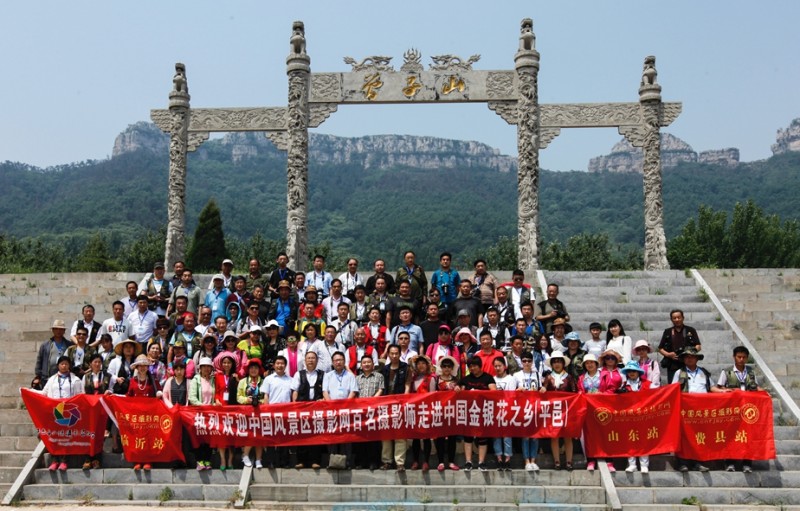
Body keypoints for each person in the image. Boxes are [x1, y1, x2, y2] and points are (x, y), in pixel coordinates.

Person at [716, 346, 763, 473]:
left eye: (744, 357)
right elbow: (718, 388)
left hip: (748, 410)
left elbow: (756, 387)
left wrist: (765, 394)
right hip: (732, 410)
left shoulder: (751, 372)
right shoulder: (726, 372)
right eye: (739, 357)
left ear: (747, 358)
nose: (741, 359)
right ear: (734, 357)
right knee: (731, 436)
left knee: (747, 436)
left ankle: (747, 463)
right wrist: (728, 392)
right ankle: (730, 462)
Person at [671, 346, 715, 473]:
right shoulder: (679, 373)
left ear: (697, 359)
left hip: (701, 410)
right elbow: (673, 390)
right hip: (685, 409)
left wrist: (725, 391)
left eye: (692, 356)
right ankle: (682, 463)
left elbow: (711, 388)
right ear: (684, 359)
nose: (689, 359)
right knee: (684, 436)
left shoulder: (704, 372)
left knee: (700, 436)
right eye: (687, 357)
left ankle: (699, 462)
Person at [40, 356, 83, 471]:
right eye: (62, 364)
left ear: (69, 365)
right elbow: (43, 393)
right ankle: (54, 460)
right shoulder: (52, 380)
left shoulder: (76, 380)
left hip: (70, 412)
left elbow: (81, 395)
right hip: (55, 411)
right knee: (55, 436)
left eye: (66, 364)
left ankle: (64, 461)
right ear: (58, 365)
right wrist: (29, 392)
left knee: (66, 436)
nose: (64, 366)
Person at [456, 357, 497, 471]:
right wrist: (457, 388)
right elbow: (459, 389)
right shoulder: (465, 379)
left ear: (480, 366)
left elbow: (494, 392)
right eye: (470, 366)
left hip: (483, 411)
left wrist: (480, 393)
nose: (472, 368)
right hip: (469, 412)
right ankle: (468, 462)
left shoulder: (488, 378)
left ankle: (481, 462)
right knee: (468, 437)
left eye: (475, 366)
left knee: (482, 438)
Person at [322, 351, 359, 468]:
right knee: (332, 437)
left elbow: (353, 391)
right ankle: (332, 462)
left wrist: (345, 405)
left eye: (340, 360)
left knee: (346, 437)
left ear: (344, 362)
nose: (338, 362)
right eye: (336, 360)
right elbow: (325, 392)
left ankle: (346, 462)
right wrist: (331, 405)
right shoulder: (328, 375)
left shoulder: (350, 376)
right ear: (332, 363)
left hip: (346, 410)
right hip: (331, 410)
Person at [541, 352, 576, 471]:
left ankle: (569, 461)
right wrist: (543, 389)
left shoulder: (569, 377)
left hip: (567, 410)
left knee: (567, 436)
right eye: (554, 362)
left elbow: (574, 393)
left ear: (563, 363)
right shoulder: (548, 377)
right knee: (554, 436)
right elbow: (544, 390)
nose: (557, 364)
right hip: (553, 410)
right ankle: (556, 461)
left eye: (559, 361)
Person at [380, 345, 411, 471]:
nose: (394, 356)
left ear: (400, 354)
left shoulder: (406, 368)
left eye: (396, 353)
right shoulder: (384, 369)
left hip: (400, 405)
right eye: (391, 353)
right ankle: (387, 461)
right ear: (388, 354)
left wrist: (404, 401)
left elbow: (407, 385)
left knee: (400, 435)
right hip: (386, 405)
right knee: (386, 434)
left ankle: (400, 462)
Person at [291, 351, 325, 469]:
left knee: (316, 435)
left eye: (313, 358)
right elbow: (295, 390)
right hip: (302, 408)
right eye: (308, 358)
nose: (310, 360)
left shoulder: (322, 374)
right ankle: (301, 461)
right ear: (305, 361)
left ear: (317, 361)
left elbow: (325, 390)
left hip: (317, 409)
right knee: (302, 434)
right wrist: (295, 404)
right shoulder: (298, 374)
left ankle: (315, 461)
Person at [261, 355, 294, 468]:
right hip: (272, 411)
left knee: (284, 438)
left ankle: (284, 462)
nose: (280, 365)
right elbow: (266, 395)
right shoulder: (268, 379)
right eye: (278, 363)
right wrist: (266, 411)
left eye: (282, 363)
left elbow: (292, 396)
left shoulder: (291, 379)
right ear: (274, 365)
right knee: (271, 438)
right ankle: (271, 462)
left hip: (286, 412)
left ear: (285, 366)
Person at [618, 361, 651, 473]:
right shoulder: (623, 385)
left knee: (643, 440)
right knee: (630, 439)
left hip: (643, 416)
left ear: (638, 372)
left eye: (633, 371)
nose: (631, 373)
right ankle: (632, 464)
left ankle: (644, 464)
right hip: (629, 417)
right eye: (629, 371)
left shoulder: (647, 384)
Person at [514, 350, 541, 471]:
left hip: (535, 408)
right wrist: (518, 389)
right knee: (525, 436)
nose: (527, 363)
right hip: (522, 408)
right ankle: (526, 461)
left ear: (532, 362)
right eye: (524, 361)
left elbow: (541, 389)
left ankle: (533, 461)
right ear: (521, 362)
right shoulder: (516, 375)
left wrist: (543, 388)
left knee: (535, 436)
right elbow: (511, 393)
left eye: (529, 361)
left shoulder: (537, 375)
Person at [355, 355, 383, 469]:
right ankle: (361, 462)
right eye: (364, 362)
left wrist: (371, 401)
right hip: (360, 411)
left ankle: (374, 462)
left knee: (373, 438)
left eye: (368, 362)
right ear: (361, 365)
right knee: (361, 438)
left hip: (374, 410)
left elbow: (381, 389)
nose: (366, 364)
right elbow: (355, 392)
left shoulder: (379, 376)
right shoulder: (357, 378)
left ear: (373, 364)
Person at [82, 353, 110, 469]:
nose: (97, 364)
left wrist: (109, 392)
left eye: (99, 362)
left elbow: (112, 388)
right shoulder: (86, 377)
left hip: (102, 409)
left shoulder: (107, 376)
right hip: (89, 409)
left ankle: (97, 459)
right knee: (89, 434)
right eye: (95, 362)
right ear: (90, 364)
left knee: (99, 433)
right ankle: (88, 458)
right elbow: (82, 393)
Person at [409, 355, 437, 471]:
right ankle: (415, 461)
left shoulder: (431, 378)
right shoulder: (413, 379)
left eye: (423, 363)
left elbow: (432, 395)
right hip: (414, 410)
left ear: (427, 365)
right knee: (415, 437)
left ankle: (425, 461)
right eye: (418, 364)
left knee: (426, 437)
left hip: (426, 409)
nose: (421, 366)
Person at [659, 309, 702, 383]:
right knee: (673, 386)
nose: (677, 319)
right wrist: (669, 354)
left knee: (685, 384)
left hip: (687, 364)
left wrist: (690, 353)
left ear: (683, 318)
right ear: (671, 320)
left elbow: (698, 346)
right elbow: (660, 348)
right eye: (674, 318)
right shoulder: (668, 331)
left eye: (679, 317)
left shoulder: (690, 330)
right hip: (673, 364)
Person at [237, 358, 266, 469]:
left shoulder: (263, 381)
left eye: (256, 368)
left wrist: (260, 402)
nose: (253, 370)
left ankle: (259, 459)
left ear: (259, 370)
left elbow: (267, 397)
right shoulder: (243, 381)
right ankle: (245, 455)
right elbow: (238, 397)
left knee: (259, 435)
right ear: (248, 370)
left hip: (260, 412)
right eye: (251, 368)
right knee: (250, 434)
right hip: (247, 412)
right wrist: (246, 400)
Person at [189, 357, 216, 470]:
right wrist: (204, 406)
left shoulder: (214, 380)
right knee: (199, 437)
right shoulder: (196, 380)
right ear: (200, 368)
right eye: (203, 366)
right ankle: (199, 460)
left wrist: (213, 406)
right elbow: (192, 398)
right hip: (199, 413)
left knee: (209, 438)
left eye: (208, 367)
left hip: (211, 414)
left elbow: (216, 397)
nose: (206, 369)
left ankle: (207, 460)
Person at [433, 355, 460, 472]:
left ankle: (451, 461)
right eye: (444, 366)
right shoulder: (436, 380)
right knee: (440, 437)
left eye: (449, 366)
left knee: (452, 438)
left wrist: (459, 390)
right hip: (439, 412)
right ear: (441, 367)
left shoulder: (456, 380)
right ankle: (440, 462)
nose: (447, 368)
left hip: (452, 412)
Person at [213, 351, 238, 471]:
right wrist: (217, 400)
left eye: (229, 363)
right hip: (221, 408)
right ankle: (222, 459)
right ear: (221, 364)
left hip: (233, 409)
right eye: (225, 362)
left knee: (232, 436)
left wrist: (237, 380)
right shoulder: (217, 376)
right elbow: (216, 392)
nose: (227, 365)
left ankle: (230, 460)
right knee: (222, 435)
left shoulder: (236, 376)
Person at [577, 353, 601, 471]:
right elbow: (580, 392)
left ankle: (608, 459)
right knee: (587, 436)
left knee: (604, 434)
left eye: (592, 362)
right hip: (587, 410)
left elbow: (608, 390)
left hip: (601, 409)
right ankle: (590, 460)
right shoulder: (582, 378)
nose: (589, 365)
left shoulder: (604, 375)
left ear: (596, 364)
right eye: (587, 363)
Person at [493, 356, 517, 471]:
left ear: (505, 366)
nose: (497, 368)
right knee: (496, 436)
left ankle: (507, 459)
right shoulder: (492, 379)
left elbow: (511, 395)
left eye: (499, 366)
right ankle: (499, 459)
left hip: (507, 410)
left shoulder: (511, 379)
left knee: (507, 436)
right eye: (496, 366)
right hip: (494, 411)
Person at [34, 320, 74, 390]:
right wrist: (38, 375)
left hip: (65, 378)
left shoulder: (69, 345)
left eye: (61, 329)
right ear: (53, 330)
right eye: (56, 329)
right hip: (47, 378)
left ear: (64, 331)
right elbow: (39, 360)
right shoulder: (45, 345)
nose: (58, 331)